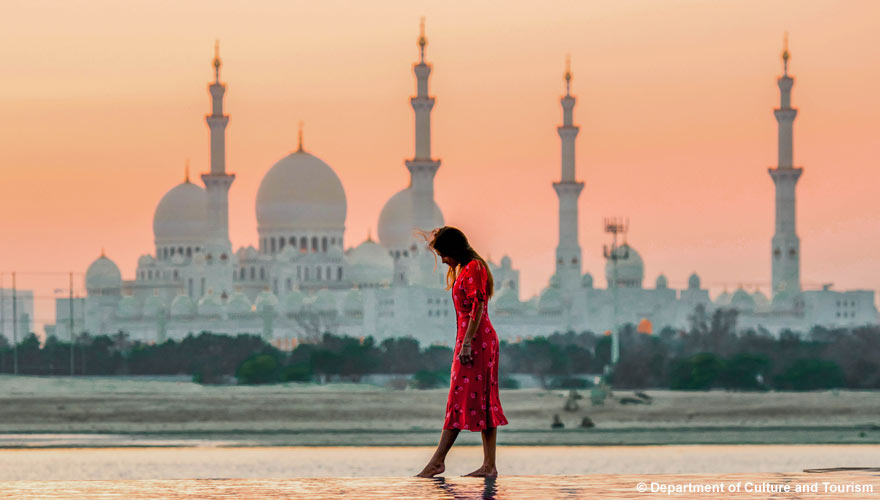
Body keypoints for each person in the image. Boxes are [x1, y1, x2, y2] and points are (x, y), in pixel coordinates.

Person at [415, 226, 508, 478]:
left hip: (476, 342)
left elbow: (478, 305)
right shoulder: (466, 269)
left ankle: (438, 461)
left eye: (444, 254)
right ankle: (488, 466)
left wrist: (467, 343)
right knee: (475, 399)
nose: (443, 260)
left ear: (454, 249)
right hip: (471, 340)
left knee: (460, 399)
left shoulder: (474, 267)